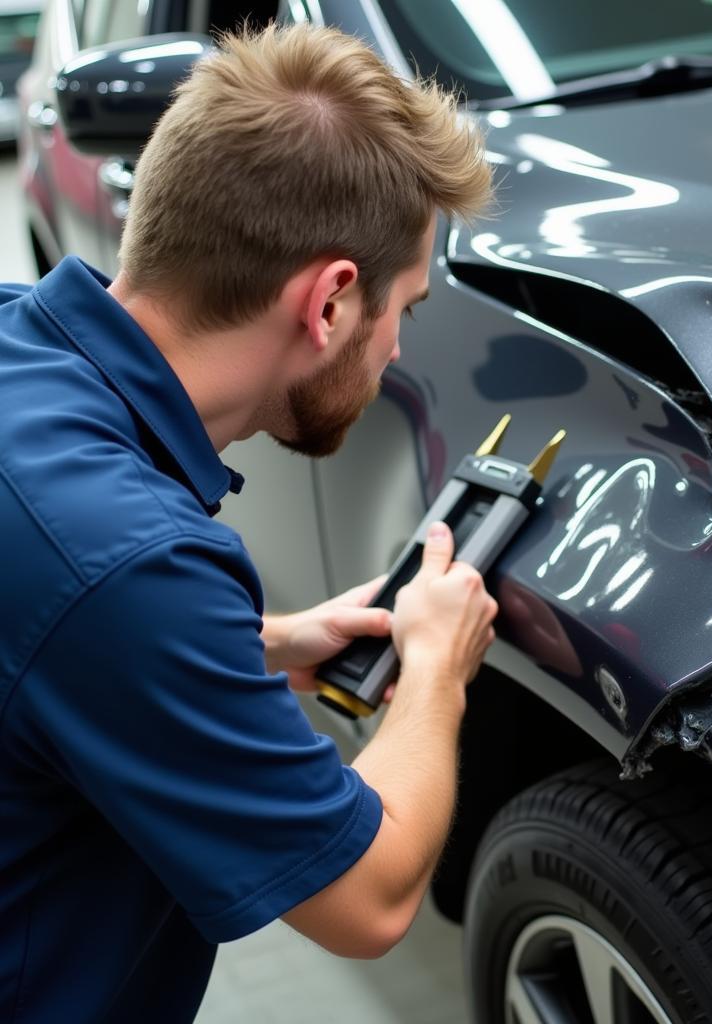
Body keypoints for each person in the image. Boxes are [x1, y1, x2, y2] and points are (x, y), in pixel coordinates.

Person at [0, 23, 496, 1023]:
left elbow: (41, 622)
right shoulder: (134, 565)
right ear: (329, 303)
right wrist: (436, 671)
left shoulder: (18, 341)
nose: (397, 347)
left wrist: (264, 646)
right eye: (406, 305)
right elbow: (371, 894)